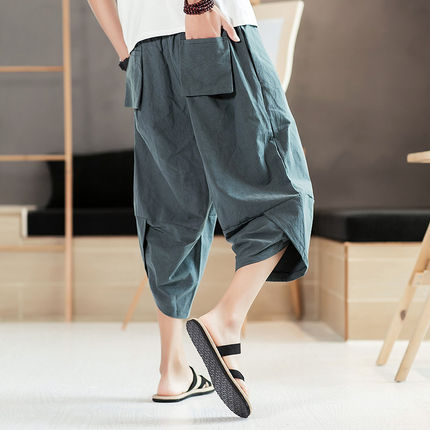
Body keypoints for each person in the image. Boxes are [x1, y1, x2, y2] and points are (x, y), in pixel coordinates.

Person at [86, 0, 314, 418]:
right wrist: (199, 5)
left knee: (170, 209)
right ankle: (226, 319)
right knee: (283, 188)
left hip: (144, 53)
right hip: (206, 26)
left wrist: (128, 51)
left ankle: (172, 371)